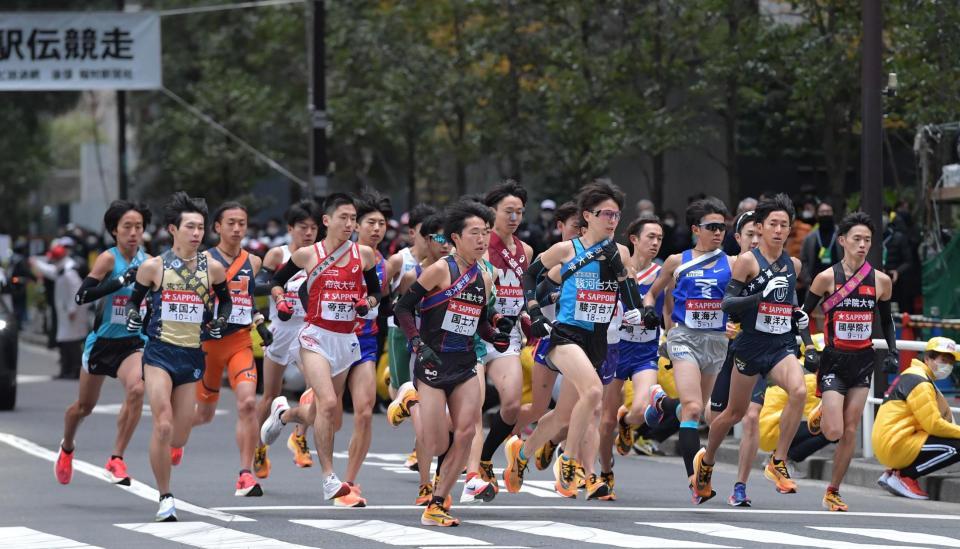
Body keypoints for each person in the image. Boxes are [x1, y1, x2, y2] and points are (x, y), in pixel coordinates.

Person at [503, 180, 638, 499]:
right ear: (588, 216)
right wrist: (535, 312)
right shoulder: (568, 249)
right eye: (606, 214)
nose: (612, 221)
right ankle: (569, 461)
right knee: (592, 393)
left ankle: (522, 454)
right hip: (566, 335)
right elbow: (529, 276)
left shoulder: (620, 251)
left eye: (617, 215)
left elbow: (628, 285)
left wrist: (637, 309)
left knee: (564, 415)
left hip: (598, 340)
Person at [260, 193, 383, 503]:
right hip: (315, 337)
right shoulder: (307, 255)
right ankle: (329, 477)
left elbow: (377, 293)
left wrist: (366, 302)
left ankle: (284, 415)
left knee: (318, 412)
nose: (349, 224)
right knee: (328, 403)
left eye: (353, 219)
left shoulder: (364, 255)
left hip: (346, 340)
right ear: (327, 220)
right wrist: (280, 299)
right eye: (343, 217)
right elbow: (276, 280)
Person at [393, 200, 507, 526]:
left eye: (485, 233)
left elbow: (480, 321)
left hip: (465, 363)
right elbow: (403, 308)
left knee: (467, 432)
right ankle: (409, 399)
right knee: (437, 441)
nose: (482, 240)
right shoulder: (441, 269)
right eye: (475, 233)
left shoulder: (484, 277)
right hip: (432, 363)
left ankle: (437, 502)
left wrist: (494, 334)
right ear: (456, 237)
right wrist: (416, 343)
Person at [124, 192, 232, 521]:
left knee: (179, 434)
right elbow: (134, 302)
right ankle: (165, 496)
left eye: (200, 228)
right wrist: (132, 316)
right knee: (163, 424)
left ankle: (173, 448)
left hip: (191, 357)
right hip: (159, 354)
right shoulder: (153, 267)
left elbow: (224, 303)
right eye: (190, 227)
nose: (197, 233)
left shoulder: (212, 268)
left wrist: (219, 322)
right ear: (174, 229)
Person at [696, 194, 807, 506]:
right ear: (761, 226)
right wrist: (760, 295)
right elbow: (727, 304)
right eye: (773, 224)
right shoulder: (747, 261)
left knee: (798, 392)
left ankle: (777, 461)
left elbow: (789, 303)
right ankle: (707, 461)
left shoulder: (792, 264)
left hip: (780, 345)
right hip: (750, 345)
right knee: (734, 413)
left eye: (784, 225)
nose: (778, 230)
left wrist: (798, 316)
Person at [637, 196, 734, 504]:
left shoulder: (733, 263)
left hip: (716, 341)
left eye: (722, 227)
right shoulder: (677, 261)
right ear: (696, 229)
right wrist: (649, 311)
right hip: (684, 337)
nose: (718, 233)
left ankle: (663, 404)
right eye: (712, 227)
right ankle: (697, 481)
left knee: (697, 411)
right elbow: (651, 294)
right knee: (693, 409)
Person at [800, 211, 898, 511]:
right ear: (842, 241)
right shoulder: (826, 278)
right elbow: (801, 317)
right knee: (834, 431)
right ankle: (822, 414)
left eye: (867, 240)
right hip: (833, 360)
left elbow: (887, 320)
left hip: (862, 360)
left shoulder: (881, 281)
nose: (862, 244)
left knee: (851, 429)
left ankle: (833, 490)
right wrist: (808, 348)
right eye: (856, 239)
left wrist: (893, 352)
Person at [56, 201, 151, 487]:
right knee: (84, 407)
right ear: (114, 231)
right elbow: (82, 297)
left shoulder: (149, 261)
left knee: (136, 389)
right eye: (127, 227)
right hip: (102, 342)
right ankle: (67, 447)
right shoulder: (108, 260)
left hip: (133, 342)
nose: (133, 233)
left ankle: (116, 458)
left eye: (138, 227)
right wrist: (120, 280)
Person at [193, 202, 273, 497]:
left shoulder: (253, 261)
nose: (237, 228)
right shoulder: (201, 260)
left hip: (240, 341)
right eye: (231, 223)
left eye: (242, 223)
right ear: (217, 227)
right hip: (208, 345)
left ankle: (245, 474)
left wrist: (260, 324)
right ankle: (176, 437)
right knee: (204, 415)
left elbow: (247, 300)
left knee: (247, 403)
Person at [464, 180, 534, 501]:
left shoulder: (526, 251)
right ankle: (473, 476)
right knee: (475, 406)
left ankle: (486, 456)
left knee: (512, 404)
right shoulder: (477, 244)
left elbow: (522, 291)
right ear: (492, 212)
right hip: (477, 332)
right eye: (509, 211)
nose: (515, 217)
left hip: (508, 336)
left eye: (520, 211)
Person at [385, 213, 451, 505]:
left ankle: (441, 484)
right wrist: (416, 342)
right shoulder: (414, 275)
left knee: (451, 423)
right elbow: (402, 313)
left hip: (455, 354)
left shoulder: (463, 273)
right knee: (426, 423)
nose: (445, 244)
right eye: (439, 238)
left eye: (450, 238)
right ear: (426, 240)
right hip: (422, 354)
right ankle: (426, 485)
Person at [253, 200, 321, 477]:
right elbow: (253, 289)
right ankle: (260, 449)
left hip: (307, 330)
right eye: (303, 227)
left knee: (316, 386)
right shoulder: (276, 255)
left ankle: (299, 436)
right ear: (290, 228)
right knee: (270, 393)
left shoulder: (319, 256)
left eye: (314, 228)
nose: (308, 233)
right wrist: (261, 319)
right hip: (280, 332)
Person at [703, 209, 766, 506]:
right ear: (738, 238)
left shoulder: (775, 268)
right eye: (749, 235)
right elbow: (701, 307)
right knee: (716, 418)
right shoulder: (723, 269)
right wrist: (721, 326)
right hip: (725, 352)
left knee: (751, 418)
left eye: (760, 234)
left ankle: (740, 485)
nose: (755, 240)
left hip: (760, 351)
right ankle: (706, 465)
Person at [599, 215, 664, 499]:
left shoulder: (662, 274)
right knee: (605, 421)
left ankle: (628, 423)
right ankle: (605, 471)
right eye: (650, 237)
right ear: (634, 239)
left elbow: (669, 310)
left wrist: (667, 336)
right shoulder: (616, 270)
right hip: (615, 349)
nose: (655, 243)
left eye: (660, 238)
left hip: (644, 353)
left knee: (642, 409)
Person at [337, 189, 393, 507]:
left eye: (381, 223)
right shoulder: (340, 255)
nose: (376, 229)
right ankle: (289, 416)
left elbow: (381, 298)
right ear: (356, 225)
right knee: (324, 413)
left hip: (366, 342)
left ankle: (350, 484)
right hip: (333, 340)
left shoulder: (383, 262)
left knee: (364, 412)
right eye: (370, 222)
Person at [873, 337, 960, 500]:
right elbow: (934, 425)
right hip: (895, 444)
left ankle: (894, 473)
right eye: (943, 359)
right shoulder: (921, 383)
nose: (947, 366)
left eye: (950, 361)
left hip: (890, 441)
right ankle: (906, 476)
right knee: (955, 446)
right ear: (928, 358)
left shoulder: (914, 375)